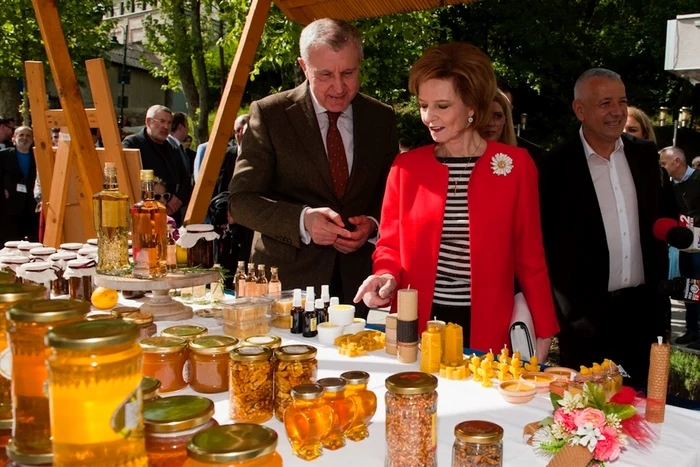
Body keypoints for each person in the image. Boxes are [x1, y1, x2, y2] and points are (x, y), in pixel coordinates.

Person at [353, 43, 558, 355]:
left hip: (487, 326)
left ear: (473, 106)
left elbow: (530, 255)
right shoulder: (406, 167)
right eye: (423, 105)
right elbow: (390, 246)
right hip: (418, 323)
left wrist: (544, 330)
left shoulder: (516, 165)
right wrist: (384, 275)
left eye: (442, 106)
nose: (428, 117)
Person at [229, 18, 398, 318]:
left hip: (356, 284)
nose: (339, 87)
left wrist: (372, 224)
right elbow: (242, 202)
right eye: (324, 74)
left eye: (348, 73)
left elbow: (389, 194)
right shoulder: (270, 114)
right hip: (285, 286)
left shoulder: (381, 118)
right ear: (304, 67)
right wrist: (303, 221)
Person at [539, 68, 672, 387]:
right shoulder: (555, 166)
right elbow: (547, 244)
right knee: (587, 417)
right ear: (579, 109)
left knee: (646, 411)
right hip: (586, 320)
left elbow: (659, 219)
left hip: (643, 312)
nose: (617, 111)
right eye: (605, 103)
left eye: (622, 101)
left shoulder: (643, 154)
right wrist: (567, 314)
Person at [122, 105, 192, 225]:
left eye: (169, 123)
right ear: (148, 122)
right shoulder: (132, 144)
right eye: (162, 121)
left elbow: (185, 180)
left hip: (170, 216)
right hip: (143, 216)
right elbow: (128, 178)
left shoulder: (173, 149)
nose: (166, 127)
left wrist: (177, 199)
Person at [659, 146, 700, 349]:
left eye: (664, 163)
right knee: (689, 287)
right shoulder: (670, 187)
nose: (662, 167)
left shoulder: (698, 180)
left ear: (677, 161)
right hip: (685, 246)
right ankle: (692, 330)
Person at [0, 127, 38, 241]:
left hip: (32, 205)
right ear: (14, 139)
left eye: (28, 136)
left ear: (32, 140)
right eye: (21, 135)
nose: (24, 138)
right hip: (10, 206)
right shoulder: (3, 156)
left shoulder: (37, 156)